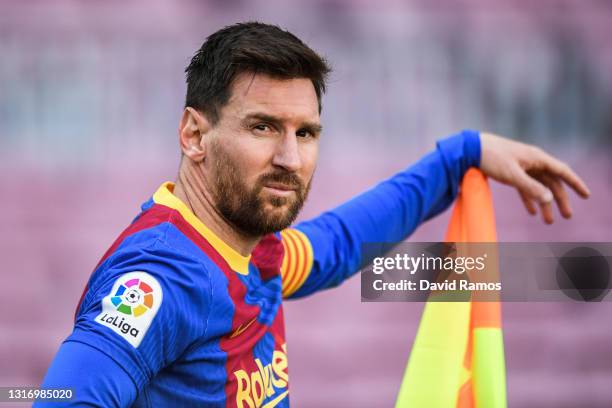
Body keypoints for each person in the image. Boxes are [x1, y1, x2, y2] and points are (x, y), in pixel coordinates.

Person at [36, 22, 590, 407]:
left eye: (305, 133)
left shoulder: (253, 249)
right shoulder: (162, 278)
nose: (290, 158)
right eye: (263, 127)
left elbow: (340, 243)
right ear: (194, 134)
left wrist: (460, 156)